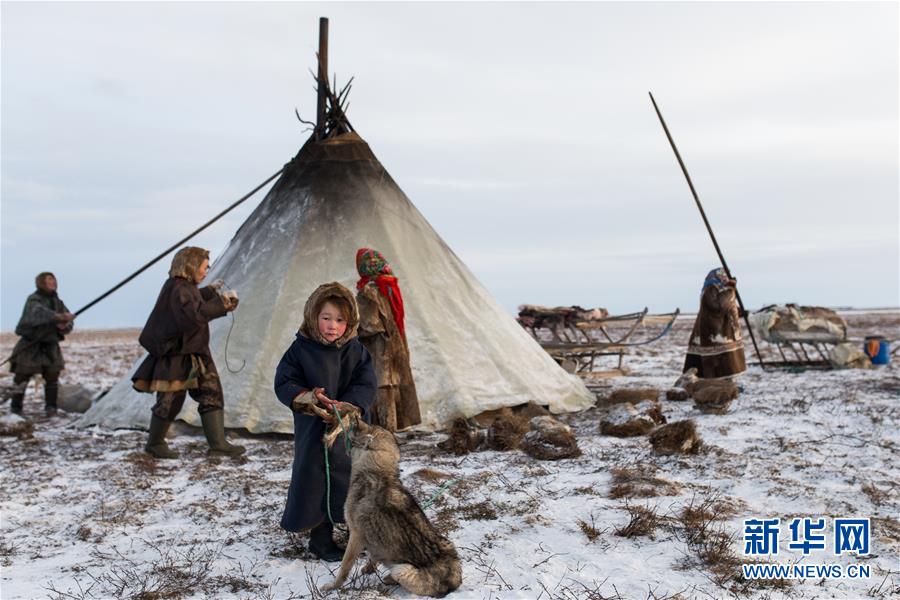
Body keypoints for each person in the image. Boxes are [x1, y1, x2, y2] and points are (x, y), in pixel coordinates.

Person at [274, 282, 376, 562]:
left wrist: (350, 405)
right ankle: (320, 540)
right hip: (313, 428)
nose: (333, 326)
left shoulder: (355, 350)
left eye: (340, 320)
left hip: (347, 429)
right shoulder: (299, 349)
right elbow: (285, 381)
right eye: (326, 318)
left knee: (350, 477)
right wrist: (308, 398)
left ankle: (357, 534)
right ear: (312, 316)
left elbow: (366, 381)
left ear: (350, 321)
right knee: (315, 480)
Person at [132, 246, 244, 459]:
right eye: (203, 267)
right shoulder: (178, 288)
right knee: (170, 400)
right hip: (178, 355)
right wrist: (221, 304)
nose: (206, 271)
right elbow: (192, 315)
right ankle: (155, 443)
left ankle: (218, 444)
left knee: (211, 393)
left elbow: (193, 303)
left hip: (194, 352)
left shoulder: (183, 287)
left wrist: (209, 291)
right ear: (191, 266)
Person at [354, 247, 421, 431]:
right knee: (391, 382)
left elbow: (370, 324)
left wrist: (355, 330)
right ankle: (395, 424)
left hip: (378, 347)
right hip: (395, 342)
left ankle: (383, 428)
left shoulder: (368, 291)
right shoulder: (390, 286)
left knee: (380, 385)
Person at [8, 272, 74, 416]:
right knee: (21, 378)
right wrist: (58, 318)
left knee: (52, 377)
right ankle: (15, 408)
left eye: (54, 280)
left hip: (50, 345)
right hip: (31, 345)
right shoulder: (33, 300)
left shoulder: (58, 302)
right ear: (41, 283)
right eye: (49, 280)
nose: (53, 282)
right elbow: (37, 314)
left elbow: (68, 321)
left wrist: (64, 325)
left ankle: (51, 408)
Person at [684, 267, 747, 379]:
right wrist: (730, 290)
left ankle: (725, 382)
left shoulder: (719, 288)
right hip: (714, 334)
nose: (726, 277)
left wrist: (740, 312)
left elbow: (728, 307)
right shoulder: (711, 289)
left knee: (726, 364)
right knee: (717, 365)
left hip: (721, 334)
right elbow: (718, 306)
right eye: (725, 275)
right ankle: (718, 384)